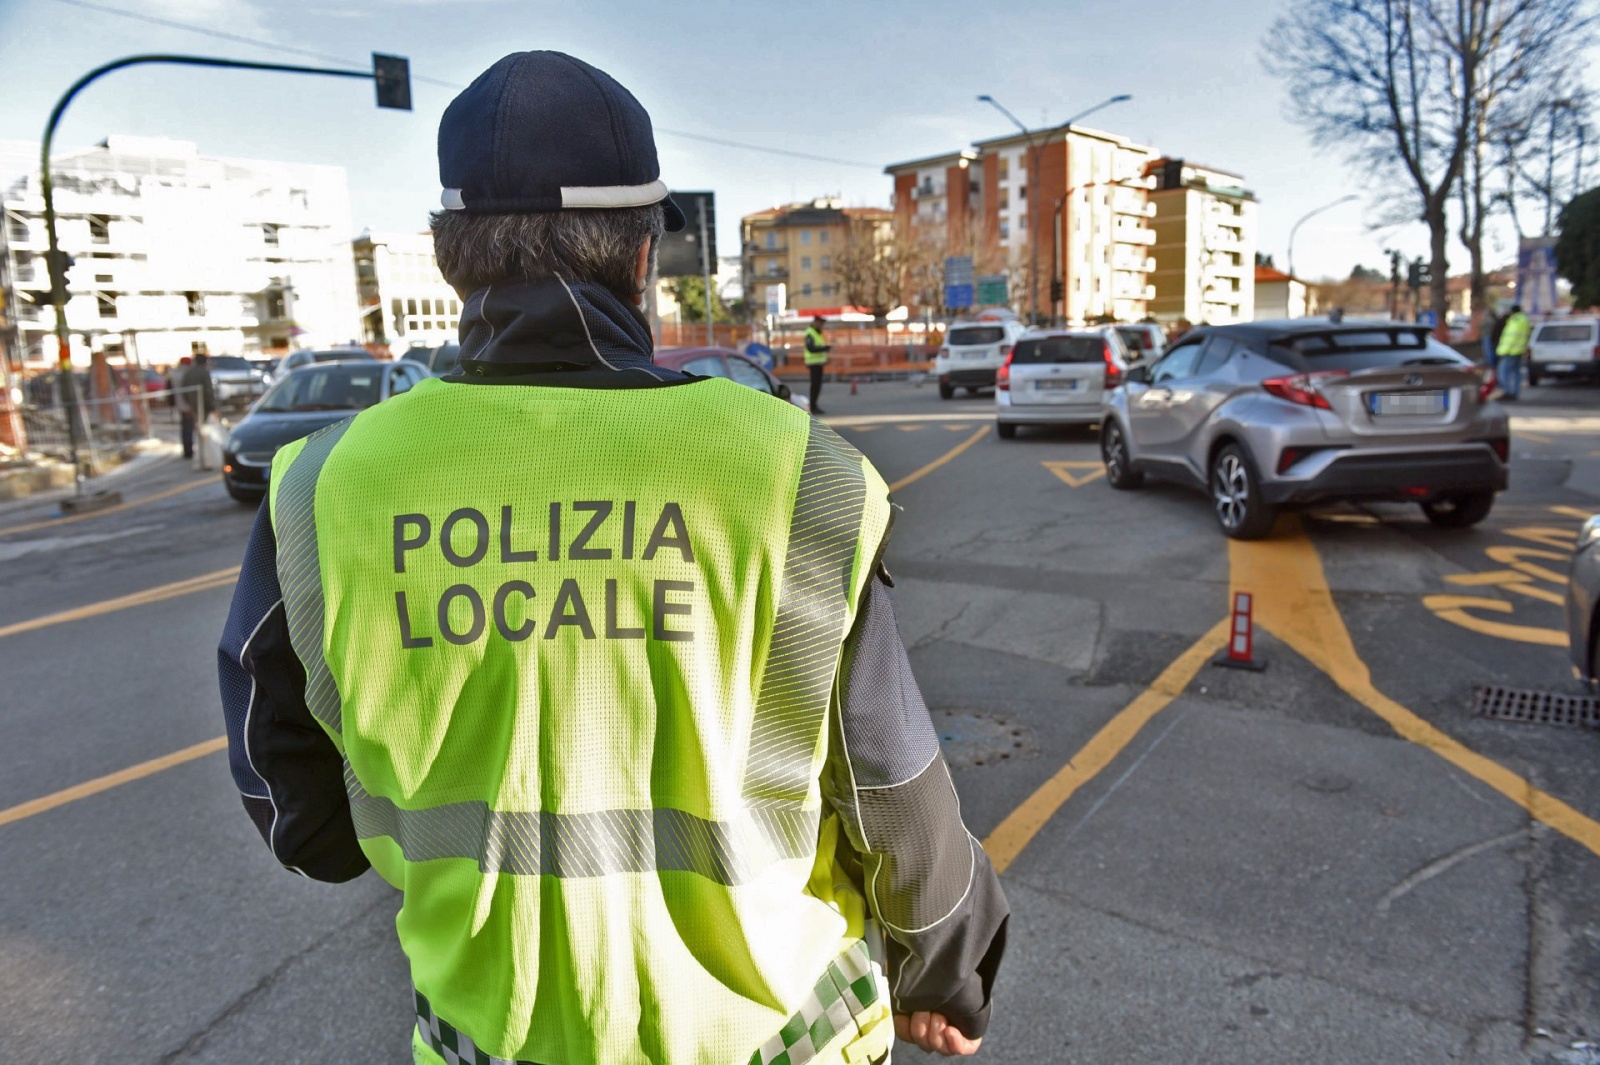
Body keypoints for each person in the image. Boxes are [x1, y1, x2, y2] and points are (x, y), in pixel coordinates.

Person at [217, 51, 1006, 1065]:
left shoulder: (317, 488)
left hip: (490, 1039)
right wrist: (948, 970)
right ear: (640, 256)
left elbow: (297, 813)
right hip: (778, 1037)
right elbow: (894, 793)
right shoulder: (799, 471)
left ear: (449, 254)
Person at [176, 352, 214, 459]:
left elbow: (184, 389)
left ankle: (189, 451)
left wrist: (189, 403)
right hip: (203, 407)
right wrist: (211, 406)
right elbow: (208, 391)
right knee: (204, 430)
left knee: (188, 429)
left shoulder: (189, 372)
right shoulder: (203, 372)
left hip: (191, 406)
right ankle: (205, 454)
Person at [1496, 302, 1532, 401]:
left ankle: (1507, 391)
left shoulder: (1515, 320)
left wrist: (1502, 351)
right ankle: (1515, 392)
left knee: (1503, 372)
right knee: (1516, 372)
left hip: (1510, 351)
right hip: (1519, 350)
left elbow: (1511, 338)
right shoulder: (1524, 320)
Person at [804, 314, 831, 414]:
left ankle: (814, 405)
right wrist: (824, 348)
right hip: (813, 363)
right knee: (815, 385)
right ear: (816, 322)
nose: (822, 325)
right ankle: (812, 406)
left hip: (818, 362)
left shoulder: (817, 333)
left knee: (817, 385)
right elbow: (811, 348)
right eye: (820, 323)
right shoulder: (810, 333)